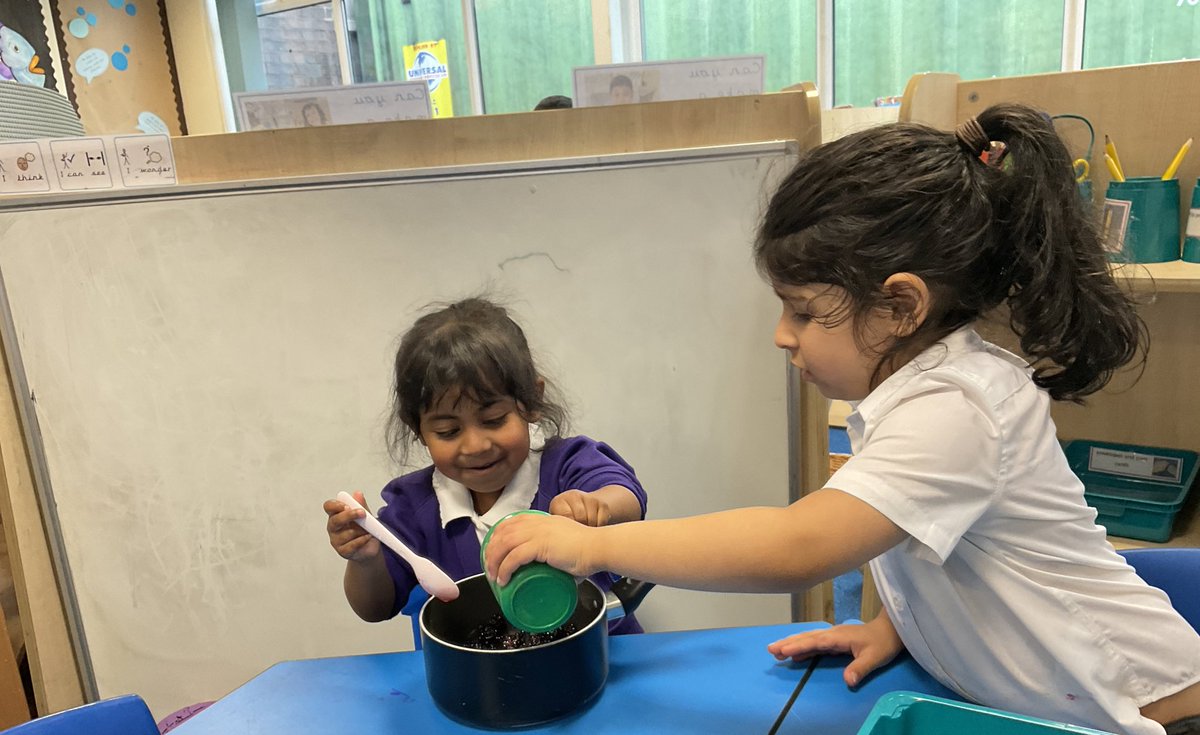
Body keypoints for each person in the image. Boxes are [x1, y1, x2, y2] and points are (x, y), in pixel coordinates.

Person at [483, 104, 1200, 734]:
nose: (781, 334)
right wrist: (897, 628)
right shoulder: (913, 389)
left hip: (1151, 712)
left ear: (900, 306)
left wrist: (593, 546)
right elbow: (925, 535)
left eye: (803, 310)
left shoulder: (959, 408)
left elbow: (800, 544)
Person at [324, 297, 648, 634]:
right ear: (417, 429)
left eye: (493, 420)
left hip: (602, 656)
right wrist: (365, 560)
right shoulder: (413, 507)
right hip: (479, 680)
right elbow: (374, 608)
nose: (476, 446)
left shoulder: (566, 464)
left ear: (531, 401)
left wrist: (597, 506)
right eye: (448, 431)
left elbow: (626, 497)